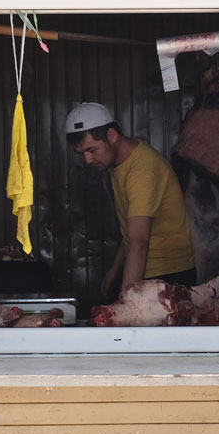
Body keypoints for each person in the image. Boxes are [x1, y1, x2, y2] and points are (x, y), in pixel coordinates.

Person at [64, 102, 196, 299]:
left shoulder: (141, 170)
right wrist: (114, 271)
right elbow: (131, 230)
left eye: (92, 150)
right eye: (82, 154)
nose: (88, 160)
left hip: (168, 274)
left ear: (112, 136)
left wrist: (126, 303)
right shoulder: (120, 164)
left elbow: (139, 242)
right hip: (144, 267)